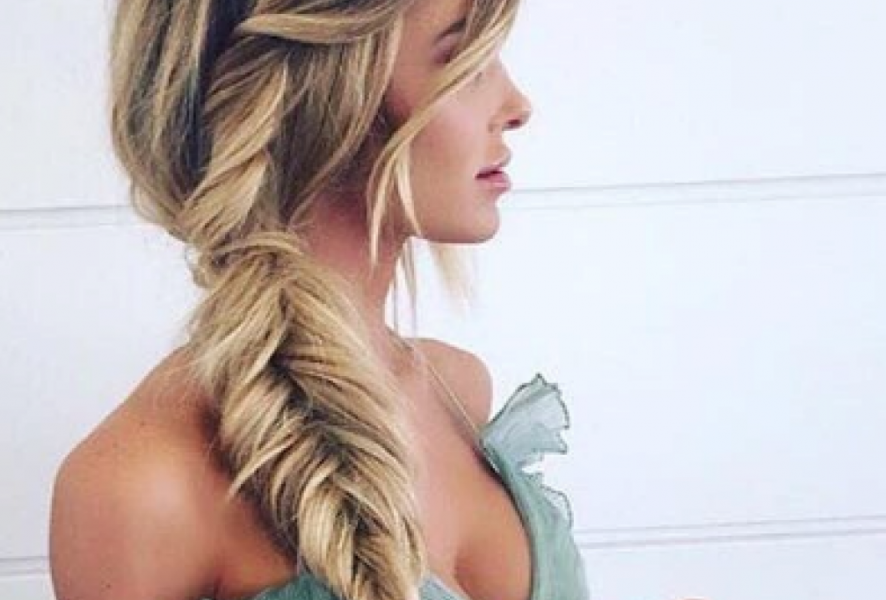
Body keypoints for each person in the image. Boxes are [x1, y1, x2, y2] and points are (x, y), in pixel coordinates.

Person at [48, 1, 591, 599]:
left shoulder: (458, 393)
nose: (517, 106)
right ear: (326, 95)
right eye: (465, 61)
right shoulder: (139, 486)